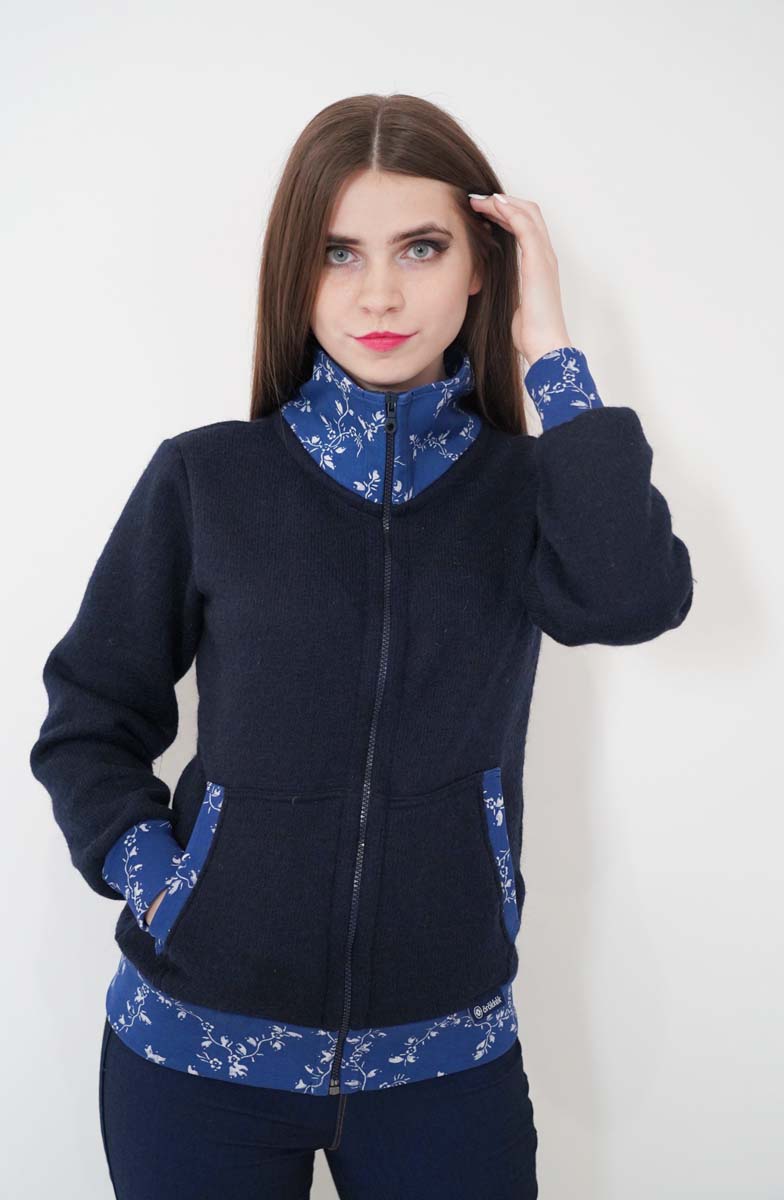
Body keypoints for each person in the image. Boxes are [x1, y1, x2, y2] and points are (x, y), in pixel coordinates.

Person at [30, 92, 694, 1199]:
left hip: (446, 1065)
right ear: (295, 272)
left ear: (479, 268)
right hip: (194, 1059)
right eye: (338, 252)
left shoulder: (526, 490)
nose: (378, 293)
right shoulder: (207, 480)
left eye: (420, 248)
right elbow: (90, 716)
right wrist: (166, 884)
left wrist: (551, 352)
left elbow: (630, 600)